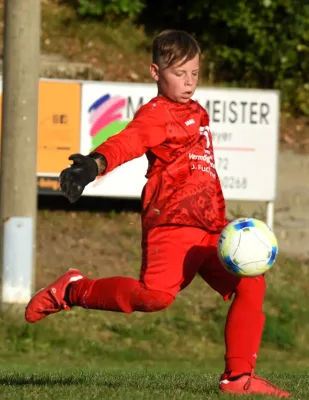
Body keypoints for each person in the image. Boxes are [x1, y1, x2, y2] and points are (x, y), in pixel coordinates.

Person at [25, 30, 290, 398]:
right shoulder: (157, 114)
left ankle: (238, 378)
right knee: (155, 298)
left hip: (210, 226)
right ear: (155, 72)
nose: (189, 82)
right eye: (179, 74)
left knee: (251, 281)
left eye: (194, 73)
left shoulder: (197, 112)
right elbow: (129, 140)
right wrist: (94, 164)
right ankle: (72, 290)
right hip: (173, 223)